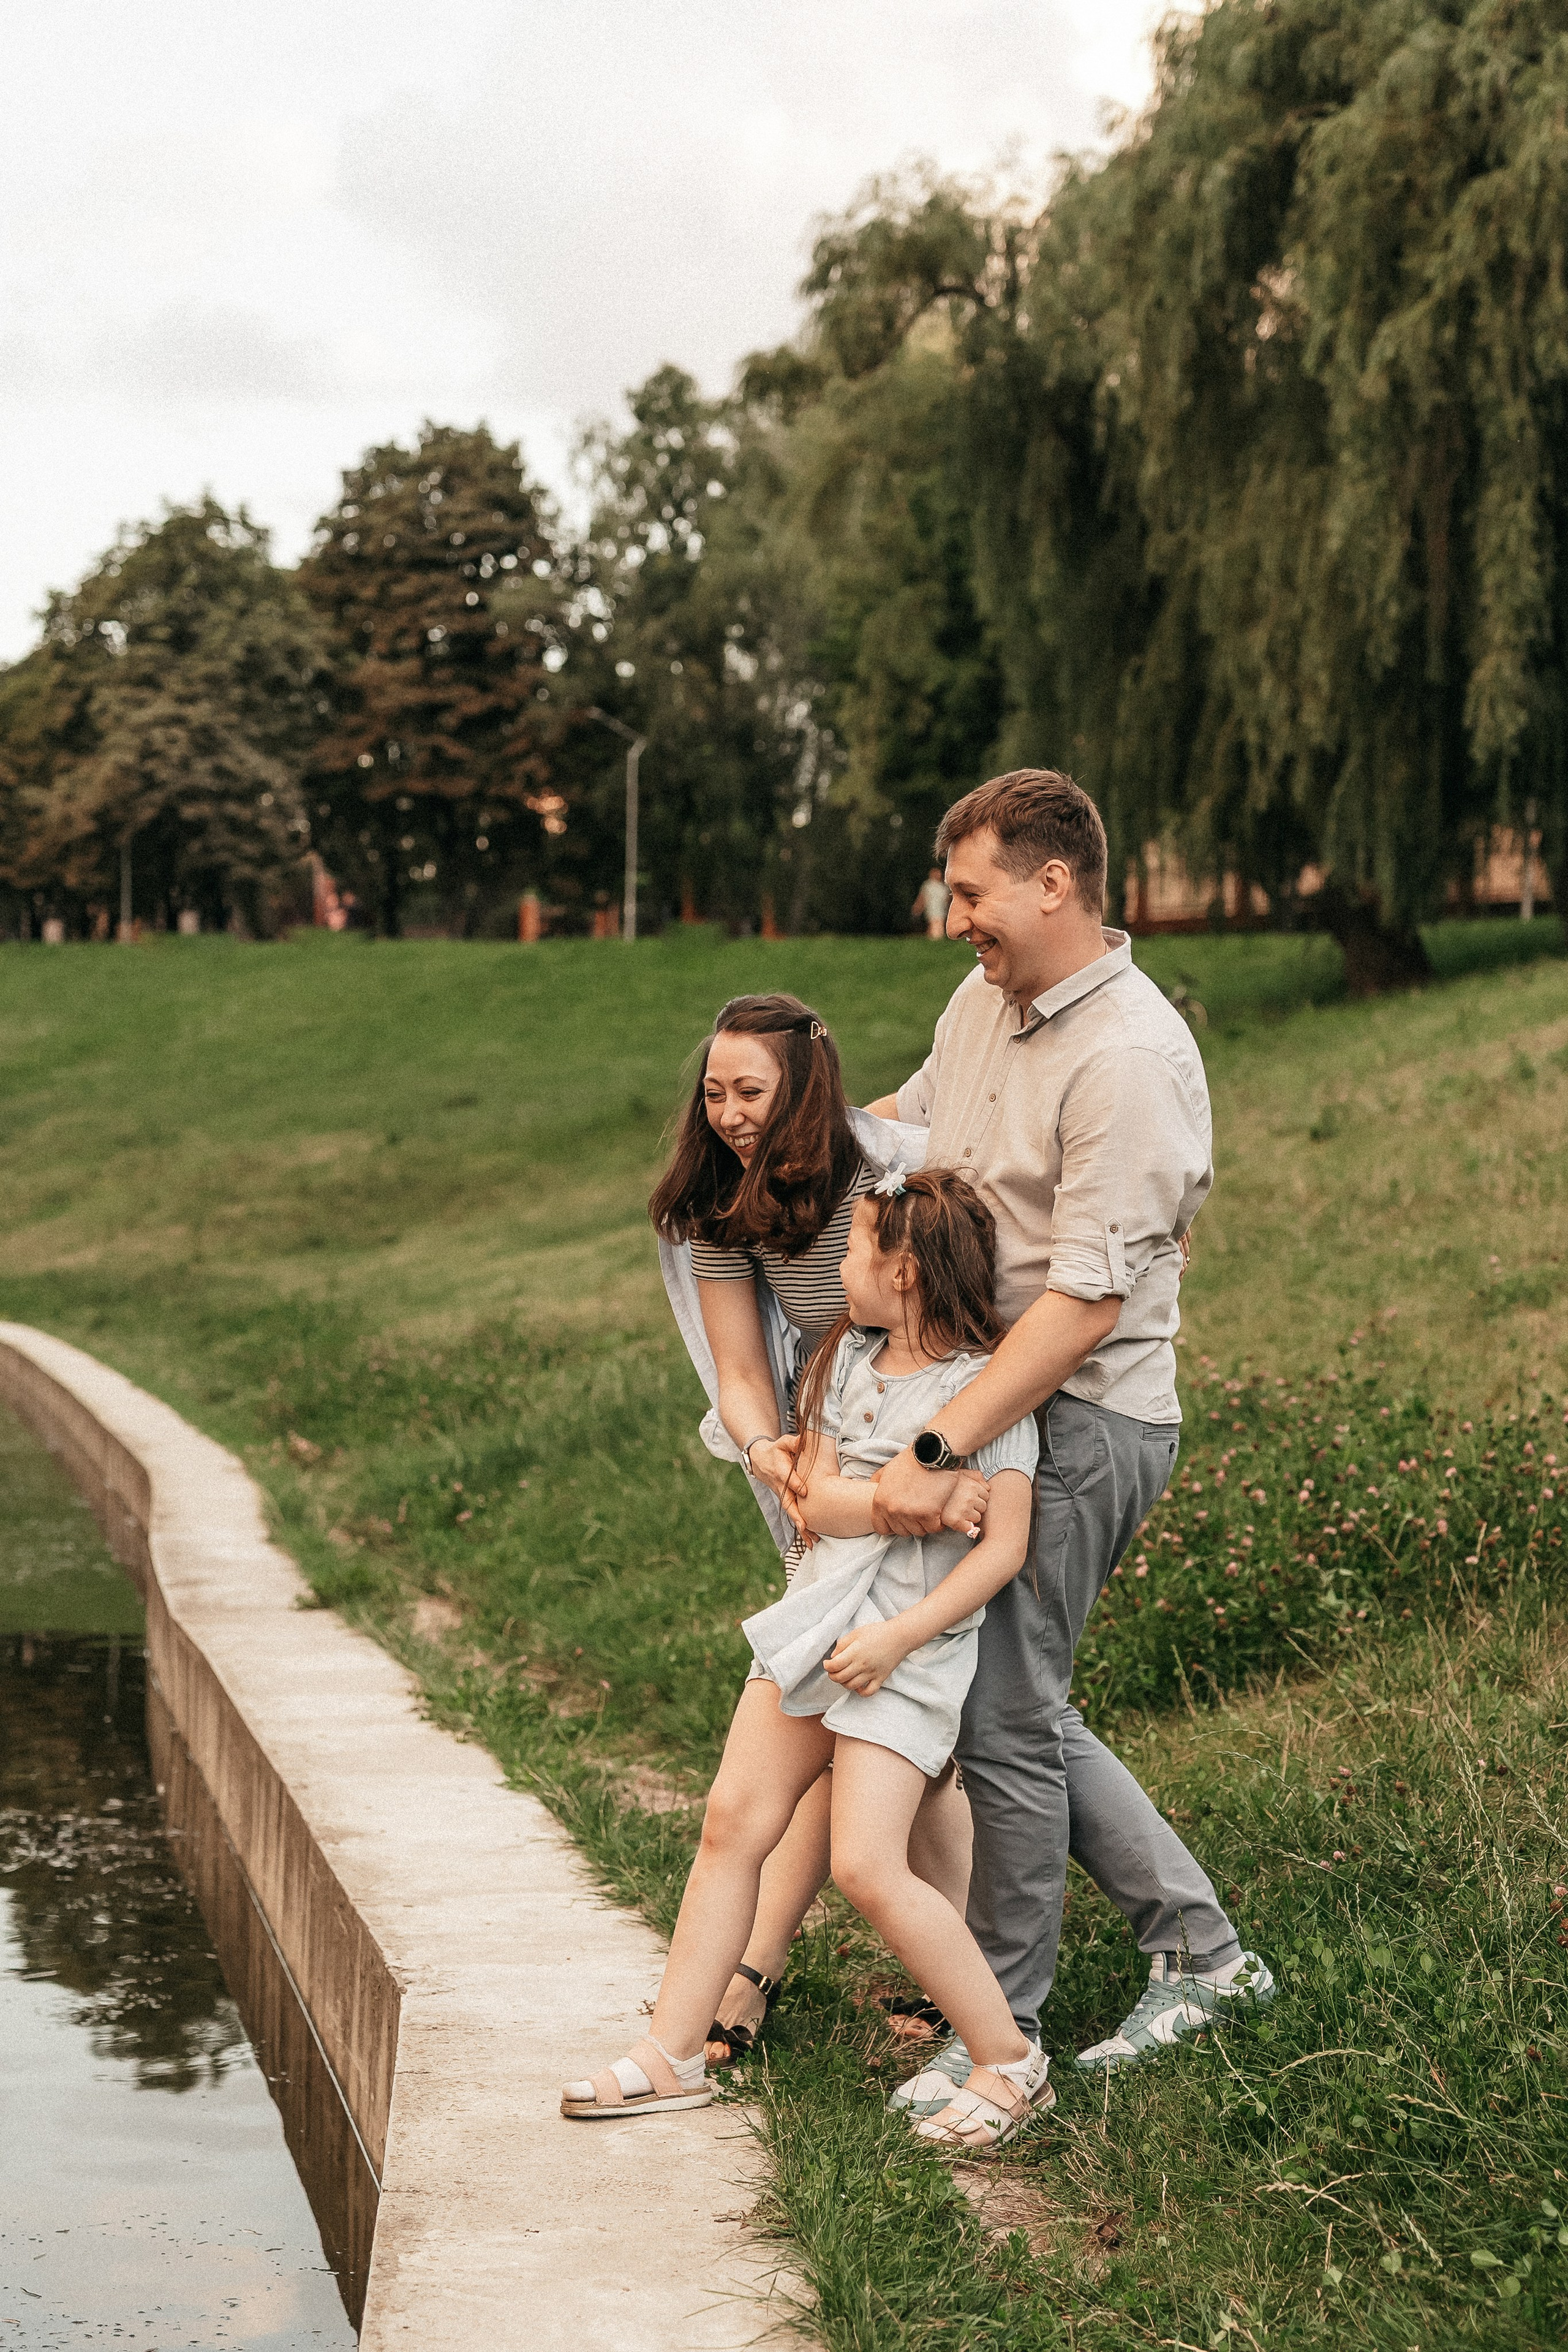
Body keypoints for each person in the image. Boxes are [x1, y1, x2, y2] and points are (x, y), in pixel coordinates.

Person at [858, 769, 1272, 2108]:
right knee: (1020, 1706)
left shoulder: (1130, 1059)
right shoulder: (984, 1004)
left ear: (1052, 884)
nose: (953, 921)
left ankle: (1002, 2026)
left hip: (1083, 1419)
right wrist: (764, 1135)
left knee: (1005, 1714)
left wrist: (936, 1449)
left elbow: (1086, 1304)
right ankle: (1200, 1955)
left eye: (970, 893)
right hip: (998, 1404)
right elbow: (904, 1134)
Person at [564, 1171, 1055, 2151]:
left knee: (867, 1864)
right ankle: (672, 2054)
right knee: (731, 1822)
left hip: (903, 1655)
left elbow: (1001, 1548)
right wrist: (889, 1506)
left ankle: (1009, 2063)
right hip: (812, 1628)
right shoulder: (844, 1359)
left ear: (906, 1271)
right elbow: (813, 1502)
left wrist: (897, 1639)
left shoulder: (983, 1394)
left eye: (855, 1249)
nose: (838, 1269)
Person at [649, 992, 962, 2066]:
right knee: (832, 1690)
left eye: (751, 1091)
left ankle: (937, 1975)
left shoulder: (888, 1178)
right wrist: (765, 1446)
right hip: (820, 1450)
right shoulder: (714, 1205)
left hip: (931, 1440)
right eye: (714, 1092)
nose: (729, 1113)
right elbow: (740, 1368)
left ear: (803, 1087)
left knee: (915, 1721)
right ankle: (758, 1969)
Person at [914, 866, 951, 939]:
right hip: (932, 908)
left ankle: (935, 939)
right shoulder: (928, 886)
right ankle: (935, 939)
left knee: (939, 923)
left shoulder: (943, 887)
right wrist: (918, 907)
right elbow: (923, 897)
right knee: (934, 924)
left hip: (941, 909)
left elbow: (947, 899)